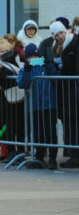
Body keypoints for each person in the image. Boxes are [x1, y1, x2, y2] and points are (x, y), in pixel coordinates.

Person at [17, 43, 59, 169]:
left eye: (36, 55)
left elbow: (56, 77)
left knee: (51, 133)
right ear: (27, 58)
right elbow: (21, 84)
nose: (34, 58)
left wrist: (48, 64)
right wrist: (27, 69)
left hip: (49, 104)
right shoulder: (25, 69)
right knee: (37, 133)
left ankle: (52, 159)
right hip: (34, 106)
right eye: (31, 56)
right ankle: (39, 157)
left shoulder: (45, 66)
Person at [0, 37, 25, 163]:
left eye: (7, 50)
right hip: (3, 99)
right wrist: (0, 75)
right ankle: (9, 152)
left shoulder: (17, 57)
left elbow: (25, 67)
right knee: (7, 126)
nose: (5, 53)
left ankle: (20, 151)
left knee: (19, 126)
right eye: (3, 51)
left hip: (18, 97)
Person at [48, 21, 79, 168]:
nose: (60, 36)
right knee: (68, 123)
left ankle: (75, 156)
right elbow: (45, 60)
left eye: (61, 32)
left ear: (65, 31)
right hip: (65, 91)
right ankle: (73, 154)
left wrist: (62, 63)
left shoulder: (75, 42)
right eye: (56, 34)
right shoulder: (54, 47)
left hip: (73, 90)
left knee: (73, 123)